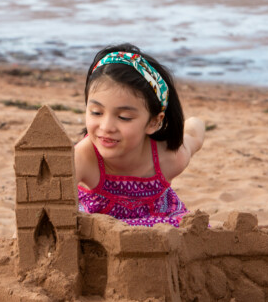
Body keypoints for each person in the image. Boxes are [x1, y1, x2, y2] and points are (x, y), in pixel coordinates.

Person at [74, 43, 205, 227]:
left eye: (124, 117)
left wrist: (194, 122)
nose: (106, 127)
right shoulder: (81, 157)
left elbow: (194, 133)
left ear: (153, 122)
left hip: (161, 225)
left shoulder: (170, 157)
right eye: (96, 112)